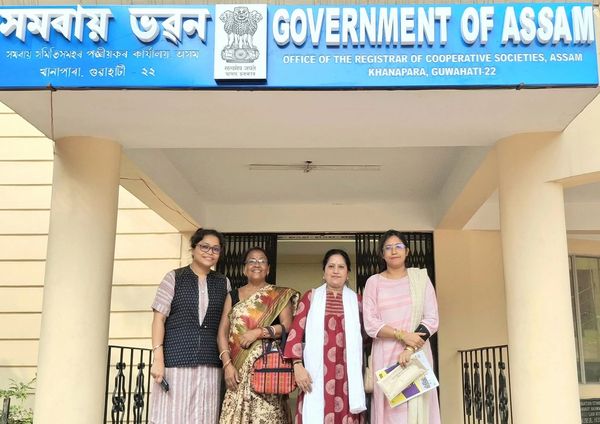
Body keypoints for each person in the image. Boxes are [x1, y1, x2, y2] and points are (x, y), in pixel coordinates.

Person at [149, 228, 230, 424]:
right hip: (176, 361)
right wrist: (158, 358)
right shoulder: (174, 278)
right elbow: (158, 319)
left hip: (209, 363)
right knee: (173, 416)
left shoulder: (223, 283)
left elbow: (225, 326)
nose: (210, 252)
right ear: (193, 248)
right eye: (205, 247)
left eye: (215, 249)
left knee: (205, 416)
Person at [363, 229, 440, 424]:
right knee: (390, 413)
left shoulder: (420, 279)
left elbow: (431, 319)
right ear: (382, 254)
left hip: (416, 354)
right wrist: (401, 335)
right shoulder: (374, 282)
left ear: (408, 251)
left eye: (398, 246)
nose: (394, 251)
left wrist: (410, 347)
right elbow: (371, 324)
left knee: (418, 410)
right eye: (388, 248)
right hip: (385, 357)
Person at [284, 249, 366, 424]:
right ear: (324, 273)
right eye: (331, 266)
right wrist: (297, 366)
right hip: (314, 376)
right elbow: (295, 334)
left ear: (347, 273)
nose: (336, 271)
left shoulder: (357, 301)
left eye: (341, 267)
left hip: (347, 380)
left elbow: (367, 337)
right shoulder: (311, 298)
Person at [218, 247, 299, 424]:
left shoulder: (279, 296)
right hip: (237, 374)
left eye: (262, 261)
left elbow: (288, 326)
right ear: (244, 269)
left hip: (268, 371)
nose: (257, 264)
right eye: (252, 261)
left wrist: (259, 332)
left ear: (268, 269)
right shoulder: (232, 296)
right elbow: (222, 334)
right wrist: (227, 366)